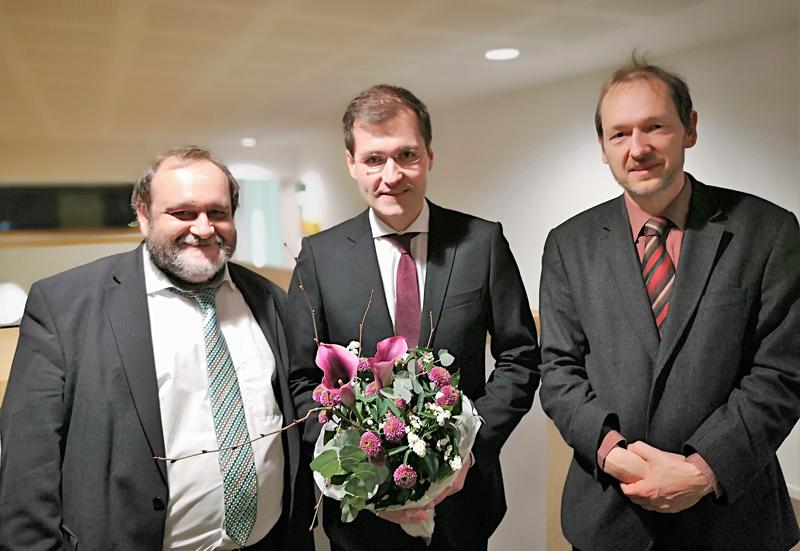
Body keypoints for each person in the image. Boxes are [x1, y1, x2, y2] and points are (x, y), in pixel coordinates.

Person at [539, 56, 800, 550]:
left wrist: (704, 469)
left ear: (690, 129)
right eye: (619, 134)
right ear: (603, 147)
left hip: (733, 519)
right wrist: (613, 453)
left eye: (654, 127)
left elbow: (782, 371)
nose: (637, 148)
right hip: (610, 513)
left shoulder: (768, 231)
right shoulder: (568, 244)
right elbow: (559, 370)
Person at [0, 146, 315, 550]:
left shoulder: (270, 300)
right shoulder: (64, 306)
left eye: (217, 213)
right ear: (144, 216)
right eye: (183, 213)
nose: (203, 228)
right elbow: (27, 471)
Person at [286, 84, 540, 551]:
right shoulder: (319, 258)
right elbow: (301, 378)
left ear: (429, 155)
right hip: (361, 512)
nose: (392, 175)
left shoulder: (480, 244)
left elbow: (520, 357)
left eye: (406, 155)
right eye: (373, 159)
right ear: (351, 163)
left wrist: (466, 447)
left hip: (464, 506)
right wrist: (355, 464)